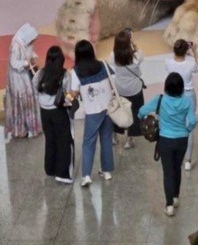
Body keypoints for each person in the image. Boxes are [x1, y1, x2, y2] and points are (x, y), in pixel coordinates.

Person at [138, 72, 196, 216]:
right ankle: (176, 197)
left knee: (168, 172)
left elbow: (141, 111)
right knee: (177, 168)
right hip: (182, 139)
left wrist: (143, 118)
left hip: (165, 140)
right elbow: (193, 121)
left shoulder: (161, 99)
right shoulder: (187, 101)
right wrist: (187, 129)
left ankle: (169, 205)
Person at [68, 40, 116, 186]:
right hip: (108, 108)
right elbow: (113, 81)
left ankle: (87, 175)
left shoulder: (76, 72)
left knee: (89, 142)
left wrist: (68, 97)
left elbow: (74, 92)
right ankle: (106, 171)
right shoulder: (103, 64)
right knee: (106, 139)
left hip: (92, 111)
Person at [34, 45, 77, 183]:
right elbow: (69, 95)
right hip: (58, 111)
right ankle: (63, 173)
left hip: (44, 112)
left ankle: (50, 168)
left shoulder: (40, 74)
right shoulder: (64, 75)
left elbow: (35, 89)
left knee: (50, 139)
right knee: (63, 141)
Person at [166, 39, 198, 170]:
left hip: (173, 96)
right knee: (189, 126)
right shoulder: (190, 64)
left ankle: (176, 156)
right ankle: (188, 159)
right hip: (188, 95)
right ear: (186, 50)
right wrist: (194, 51)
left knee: (175, 124)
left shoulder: (168, 63)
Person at [110, 29, 145, 149]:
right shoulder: (136, 56)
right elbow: (140, 54)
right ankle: (129, 139)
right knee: (134, 113)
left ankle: (114, 136)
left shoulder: (113, 55)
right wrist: (133, 43)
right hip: (134, 89)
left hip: (119, 89)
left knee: (118, 111)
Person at [6, 23, 42, 141]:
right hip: (17, 78)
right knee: (21, 99)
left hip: (24, 75)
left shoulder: (24, 41)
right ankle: (20, 129)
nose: (33, 43)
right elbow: (14, 63)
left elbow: (29, 52)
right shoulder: (16, 45)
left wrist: (34, 57)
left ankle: (31, 126)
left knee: (29, 97)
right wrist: (27, 64)